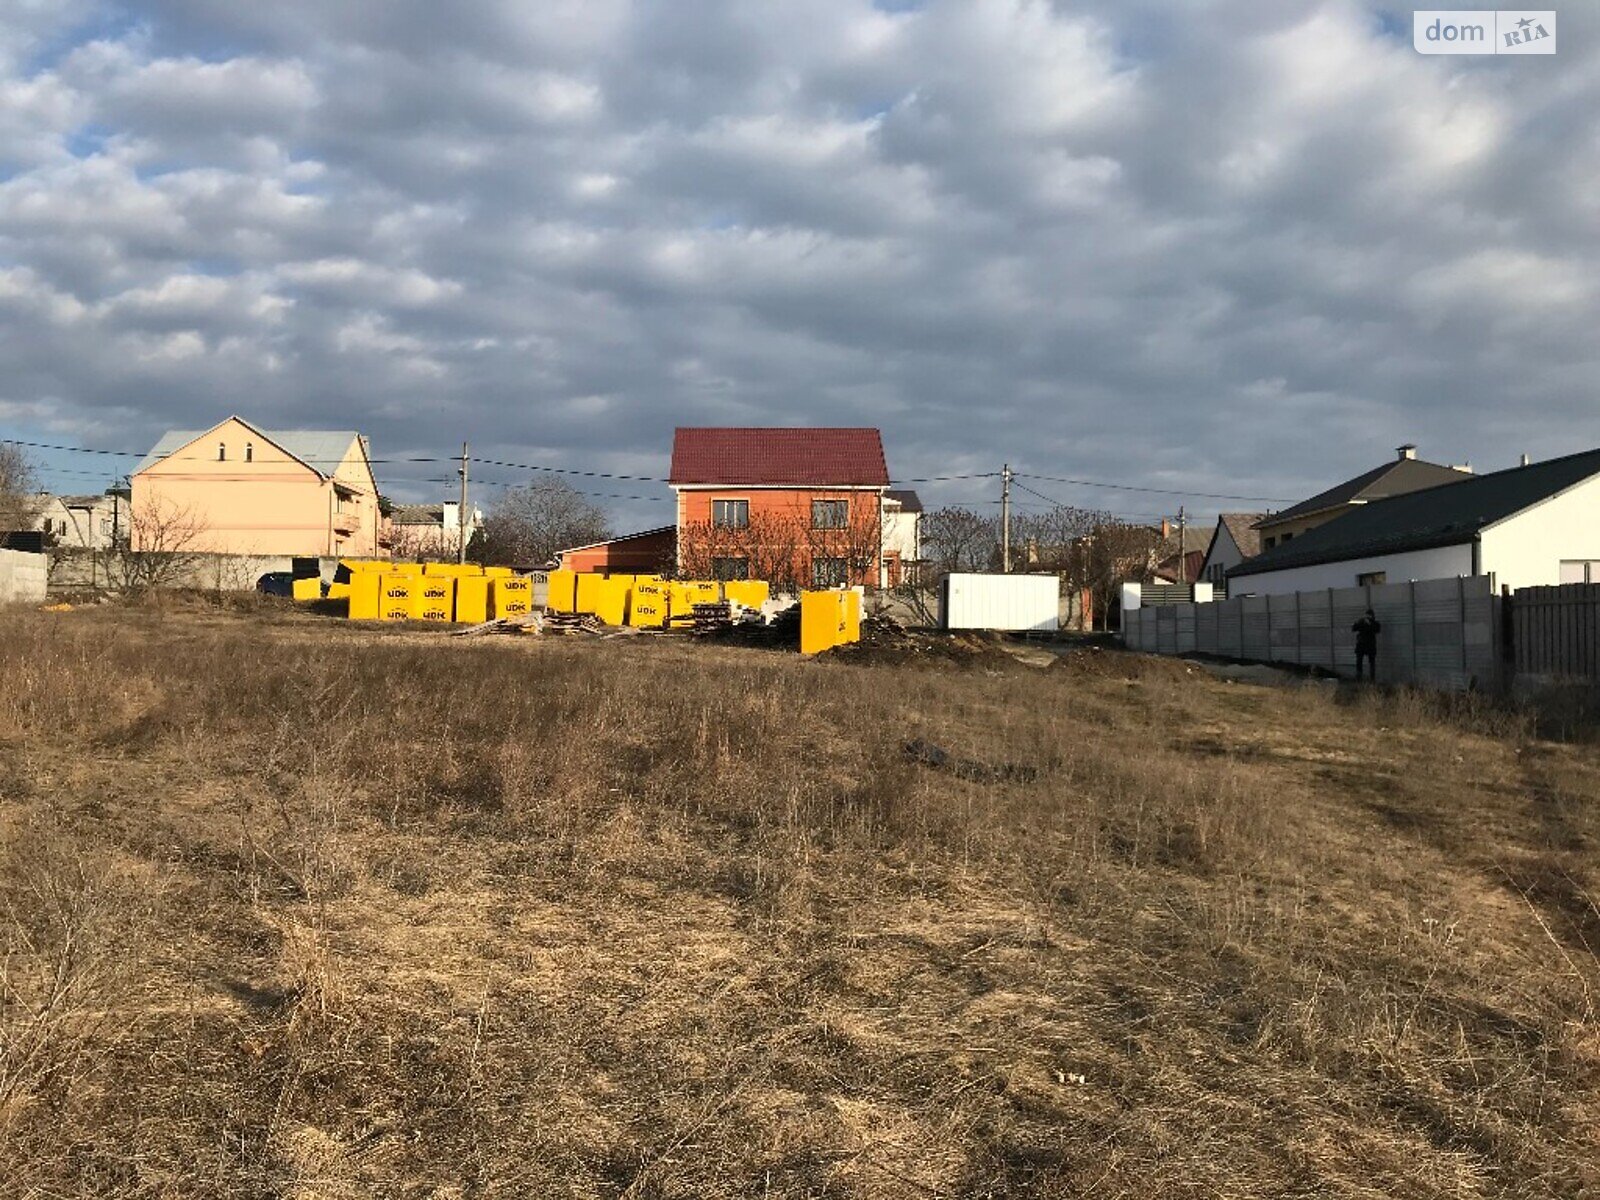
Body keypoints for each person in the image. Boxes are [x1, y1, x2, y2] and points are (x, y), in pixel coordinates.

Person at [1352, 608, 1381, 681]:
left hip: (1370, 645)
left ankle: (1372, 679)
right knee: (1359, 661)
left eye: (1369, 615)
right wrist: (1358, 622)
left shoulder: (1375, 623)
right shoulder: (1362, 622)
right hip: (1361, 645)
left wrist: (1370, 623)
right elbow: (1354, 628)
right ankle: (1359, 678)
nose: (1368, 617)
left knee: (1372, 662)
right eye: (1367, 615)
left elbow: (1377, 630)